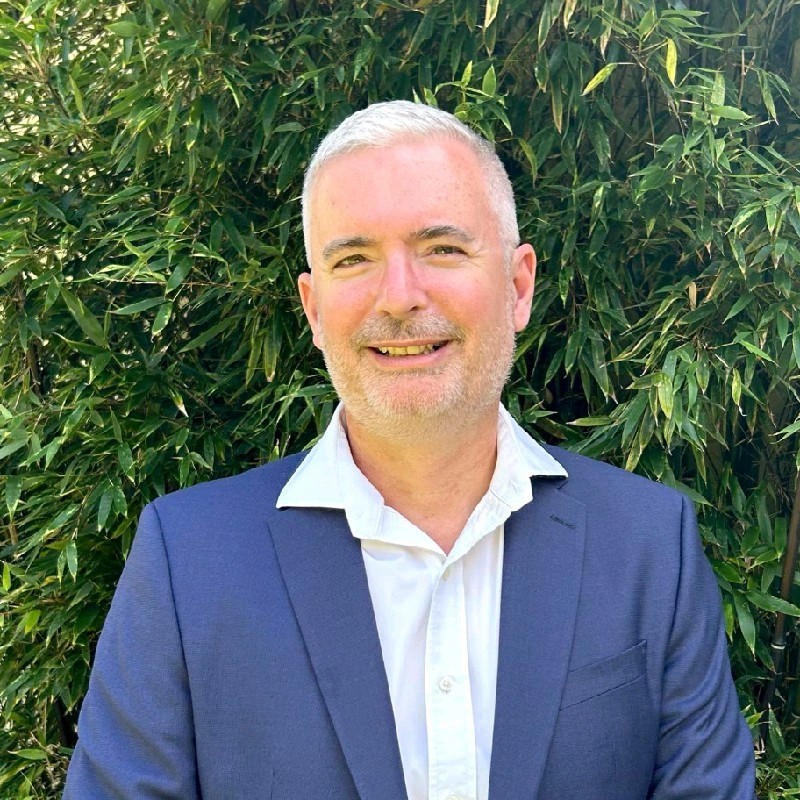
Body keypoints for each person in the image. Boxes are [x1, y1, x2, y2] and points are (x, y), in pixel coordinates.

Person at [63, 100, 756, 800]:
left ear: (518, 287)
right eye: (354, 259)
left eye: (442, 249)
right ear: (313, 308)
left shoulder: (648, 545)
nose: (398, 297)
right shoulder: (187, 562)